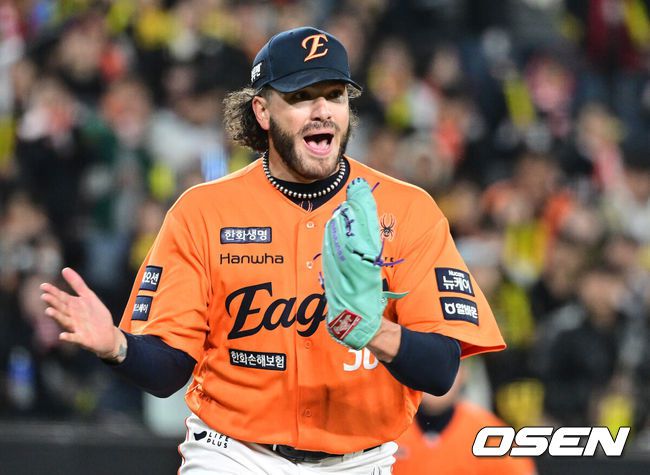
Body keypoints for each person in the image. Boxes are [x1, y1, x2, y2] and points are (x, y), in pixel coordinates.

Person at [40, 26, 505, 474]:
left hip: (361, 460)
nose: (322, 110)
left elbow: (441, 369)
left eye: (335, 95)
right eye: (301, 96)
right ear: (262, 112)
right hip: (234, 455)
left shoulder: (407, 210)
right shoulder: (203, 212)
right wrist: (117, 346)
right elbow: (168, 372)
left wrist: (373, 331)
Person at [393, 364, 536, 475]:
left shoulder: (490, 435)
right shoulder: (389, 430)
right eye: (426, 367)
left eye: (445, 367)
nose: (435, 377)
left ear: (463, 373)